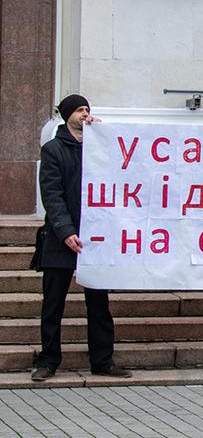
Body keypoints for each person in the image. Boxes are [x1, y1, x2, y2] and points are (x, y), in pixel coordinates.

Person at [32, 95, 130, 381]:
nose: (85, 113)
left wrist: (105, 137)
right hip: (61, 238)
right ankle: (48, 360)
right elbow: (52, 195)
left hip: (93, 239)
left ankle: (103, 361)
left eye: (87, 109)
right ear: (66, 115)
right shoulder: (53, 150)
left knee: (98, 305)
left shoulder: (98, 148)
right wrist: (65, 231)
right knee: (53, 304)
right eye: (79, 109)